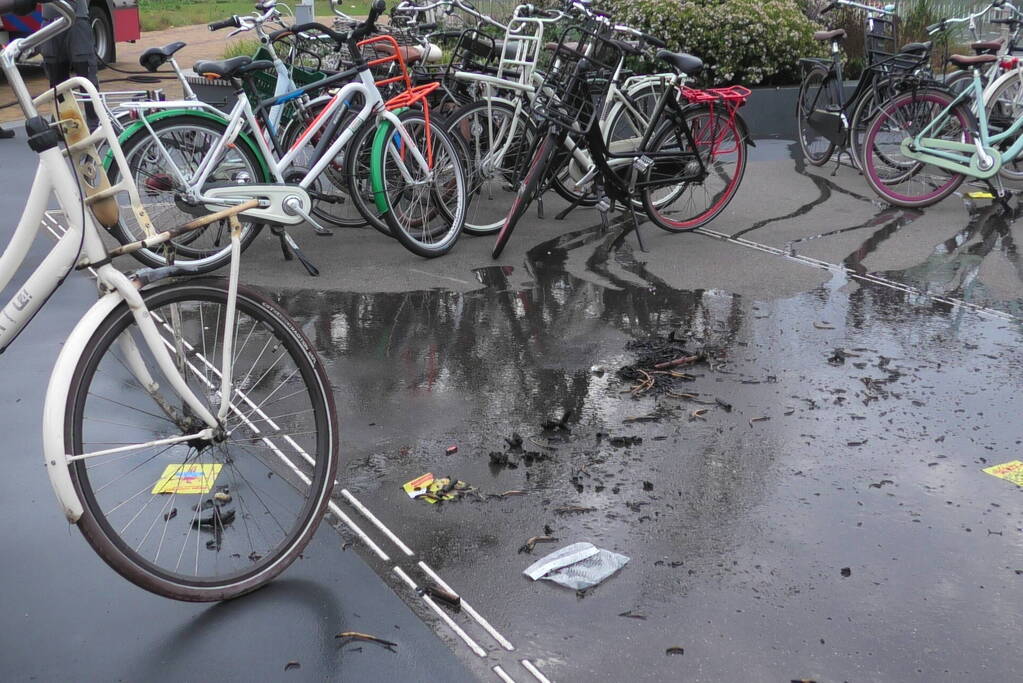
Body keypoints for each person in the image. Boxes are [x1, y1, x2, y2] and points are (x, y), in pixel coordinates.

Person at [41, 0, 98, 128]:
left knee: (86, 76)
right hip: (51, 21)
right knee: (56, 78)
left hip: (77, 19)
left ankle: (94, 124)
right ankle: (62, 122)